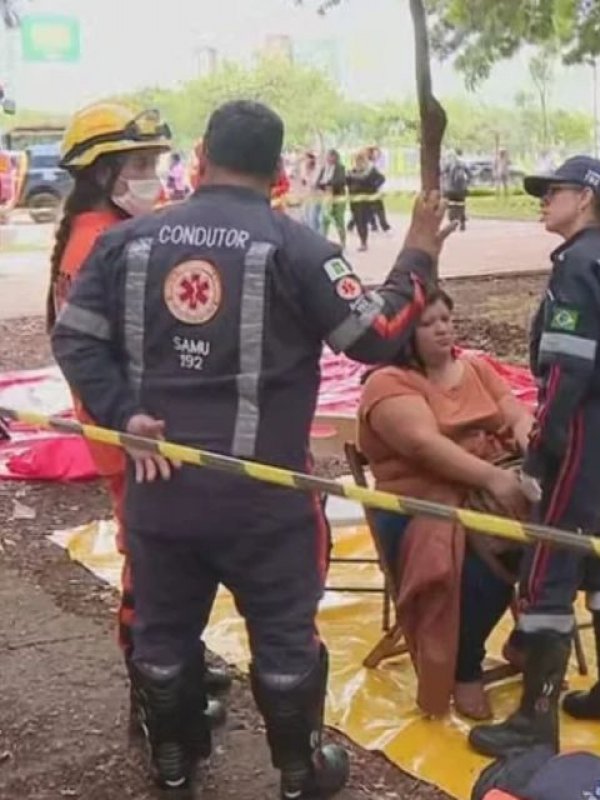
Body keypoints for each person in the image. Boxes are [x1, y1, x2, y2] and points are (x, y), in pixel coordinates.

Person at [51, 99, 454, 797]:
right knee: (285, 634)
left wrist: (122, 413)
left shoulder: (127, 243)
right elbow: (379, 335)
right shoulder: (299, 248)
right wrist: (419, 250)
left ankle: (174, 762)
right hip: (266, 501)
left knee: (163, 629)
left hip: (160, 491)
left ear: (201, 154)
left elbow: (74, 336)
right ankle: (300, 771)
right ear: (277, 167)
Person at [48, 101, 232, 733]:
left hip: (122, 422)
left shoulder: (92, 233)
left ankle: (172, 667)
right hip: (130, 427)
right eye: (141, 163)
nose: (153, 175)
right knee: (149, 559)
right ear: (102, 173)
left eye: (155, 161)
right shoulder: (104, 242)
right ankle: (153, 693)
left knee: (155, 551)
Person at [468, 156, 600, 757]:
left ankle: (536, 718)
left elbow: (568, 368)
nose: (543, 200)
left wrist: (545, 443)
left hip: (586, 424)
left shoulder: (578, 264)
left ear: (586, 199)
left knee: (550, 563)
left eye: (554, 191)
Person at [357, 290, 535, 721]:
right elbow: (423, 446)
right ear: (401, 333)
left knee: (561, 529)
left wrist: (531, 443)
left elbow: (515, 412)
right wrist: (494, 478)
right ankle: (465, 665)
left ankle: (529, 637)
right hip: (421, 503)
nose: (443, 328)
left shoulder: (473, 366)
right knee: (488, 549)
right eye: (428, 322)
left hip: (489, 488)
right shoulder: (388, 383)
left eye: (447, 318)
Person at [347, 151, 385, 253]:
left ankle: (364, 242)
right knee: (359, 222)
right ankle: (363, 241)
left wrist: (373, 188)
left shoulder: (371, 171)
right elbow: (347, 183)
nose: (359, 162)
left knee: (363, 221)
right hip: (355, 202)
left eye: (361, 160)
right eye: (357, 160)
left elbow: (381, 179)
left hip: (366, 202)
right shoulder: (352, 172)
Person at [318, 148, 348, 248]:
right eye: (328, 156)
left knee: (339, 220)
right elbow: (318, 182)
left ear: (336, 157)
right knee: (324, 219)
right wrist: (324, 185)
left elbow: (341, 181)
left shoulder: (340, 168)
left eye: (331, 156)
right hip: (327, 197)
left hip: (338, 197)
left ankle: (343, 242)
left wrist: (328, 183)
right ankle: (322, 242)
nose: (329, 158)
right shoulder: (324, 168)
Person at [444, 149, 472, 230]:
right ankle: (462, 222)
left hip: (451, 189)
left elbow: (443, 173)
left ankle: (452, 223)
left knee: (451, 205)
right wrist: (467, 184)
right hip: (461, 189)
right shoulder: (463, 163)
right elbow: (470, 174)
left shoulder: (449, 163)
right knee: (461, 205)